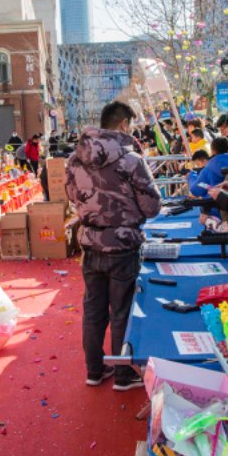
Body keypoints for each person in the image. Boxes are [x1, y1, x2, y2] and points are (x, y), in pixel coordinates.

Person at [66, 101, 161, 391]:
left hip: (91, 242)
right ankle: (123, 374)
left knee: (93, 310)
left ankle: (94, 370)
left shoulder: (74, 159)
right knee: (122, 310)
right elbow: (152, 206)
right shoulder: (131, 160)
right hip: (123, 244)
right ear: (124, 124)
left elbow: (71, 195)